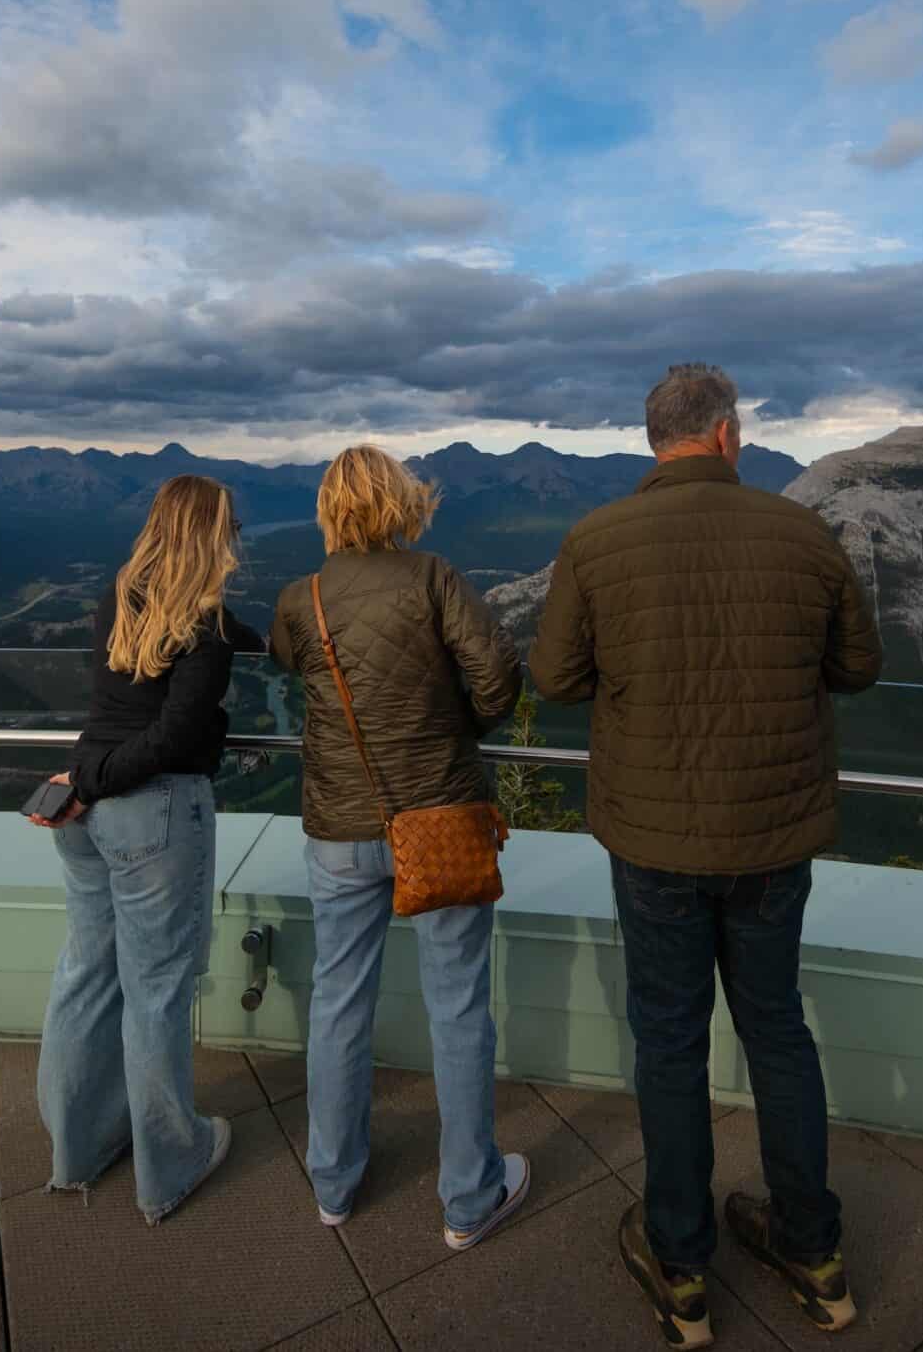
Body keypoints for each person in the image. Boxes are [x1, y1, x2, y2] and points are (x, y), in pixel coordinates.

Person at [530, 364, 882, 1347]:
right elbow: (858, 667)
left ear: (656, 442)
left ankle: (680, 1268)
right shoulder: (804, 534)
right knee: (777, 1031)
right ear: (728, 436)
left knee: (671, 1044)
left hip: (654, 842)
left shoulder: (596, 541)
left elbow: (554, 677)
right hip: (773, 837)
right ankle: (814, 1252)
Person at [269, 445, 531, 1251]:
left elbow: (292, 664)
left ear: (328, 510)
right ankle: (467, 1197)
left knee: (338, 1003)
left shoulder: (299, 597)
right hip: (441, 822)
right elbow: (499, 676)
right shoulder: (433, 577)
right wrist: (453, 732)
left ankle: (335, 1185)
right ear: (401, 503)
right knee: (457, 1007)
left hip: (341, 830)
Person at [35, 473, 263, 1224]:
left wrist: (86, 779)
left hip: (84, 816)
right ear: (212, 534)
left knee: (86, 974)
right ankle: (170, 1164)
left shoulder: (120, 598)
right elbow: (174, 736)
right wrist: (100, 776)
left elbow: (123, 707)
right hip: (151, 816)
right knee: (157, 991)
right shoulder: (205, 626)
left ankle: (77, 1148)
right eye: (230, 527)